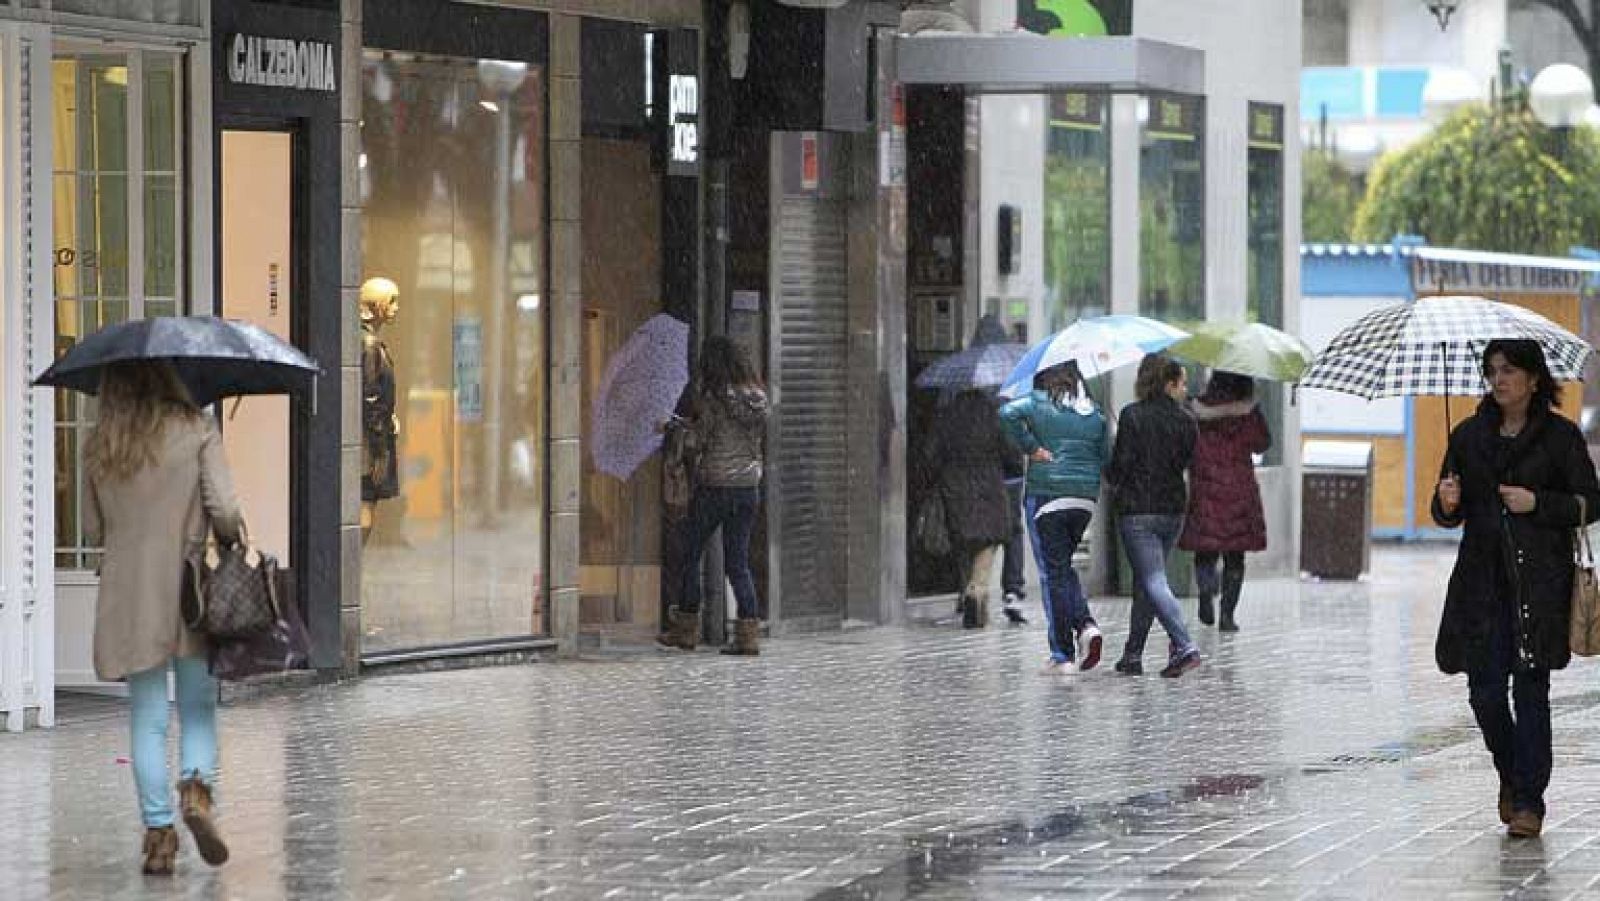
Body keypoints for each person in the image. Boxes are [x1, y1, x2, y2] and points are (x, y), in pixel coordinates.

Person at [1432, 339, 1600, 839]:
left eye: (1508, 370)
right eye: (1492, 371)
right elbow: (1444, 512)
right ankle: (1511, 773)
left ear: (1532, 378)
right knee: (1484, 694)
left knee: (1531, 691)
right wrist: (1446, 501)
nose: (1499, 379)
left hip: (1540, 585)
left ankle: (1529, 801)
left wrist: (1537, 503)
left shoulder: (1561, 438)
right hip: (1481, 587)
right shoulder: (1467, 436)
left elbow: (1591, 503)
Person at [83, 361, 242, 875]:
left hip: (129, 593)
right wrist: (230, 535)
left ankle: (158, 837)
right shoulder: (198, 429)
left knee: (147, 718)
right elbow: (225, 509)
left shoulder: (103, 444)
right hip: (189, 586)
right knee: (197, 707)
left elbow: (91, 527)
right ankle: (196, 792)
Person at [659, 336, 769, 656]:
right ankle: (748, 635)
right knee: (738, 562)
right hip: (748, 488)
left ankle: (686, 630)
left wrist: (674, 428)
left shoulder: (713, 399)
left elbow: (698, 443)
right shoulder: (757, 399)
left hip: (715, 486)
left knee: (691, 553)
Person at [1000, 361, 1109, 674]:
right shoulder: (1093, 412)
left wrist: (1031, 448)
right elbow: (1105, 456)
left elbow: (1006, 414)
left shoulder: (1038, 401)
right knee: (1062, 567)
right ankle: (1085, 626)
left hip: (1047, 495)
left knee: (1052, 573)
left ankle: (1062, 653)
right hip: (1084, 500)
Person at [1109, 353, 1201, 678]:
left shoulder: (1131, 416)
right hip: (1172, 509)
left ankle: (1185, 645)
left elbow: (1120, 466)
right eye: (1182, 383)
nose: (1185, 389)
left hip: (1138, 510)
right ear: (1168, 383)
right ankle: (1132, 655)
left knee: (1152, 579)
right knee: (1146, 581)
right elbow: (1190, 463)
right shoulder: (1187, 420)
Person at [1180, 371, 1271, 632]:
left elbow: (1186, 445)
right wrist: (1255, 413)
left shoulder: (1198, 410)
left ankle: (1206, 592)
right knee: (1235, 555)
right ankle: (1227, 616)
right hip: (1239, 490)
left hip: (1205, 486)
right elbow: (1262, 444)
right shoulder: (1249, 412)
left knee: (1205, 549)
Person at [926, 389, 1017, 628]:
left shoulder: (946, 419)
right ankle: (976, 591)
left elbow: (930, 456)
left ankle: (966, 591)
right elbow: (1013, 458)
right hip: (989, 493)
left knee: (963, 544)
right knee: (986, 544)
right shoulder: (996, 417)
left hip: (955, 492)